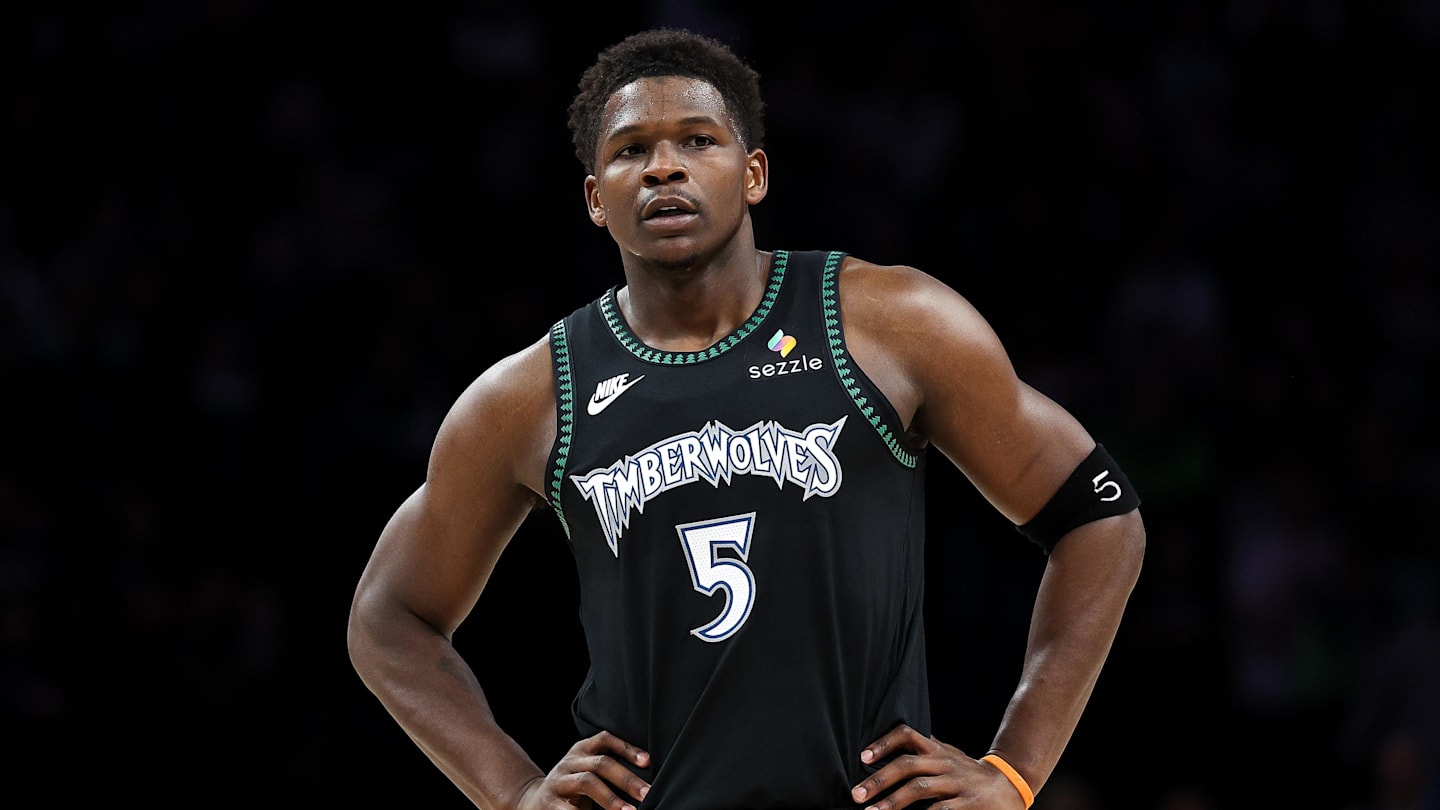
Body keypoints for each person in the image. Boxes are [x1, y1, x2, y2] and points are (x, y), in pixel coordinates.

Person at [347, 26, 1146, 810]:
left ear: (754, 173)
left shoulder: (890, 322)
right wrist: (515, 790)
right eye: (630, 151)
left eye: (698, 141)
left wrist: (1014, 771)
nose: (664, 167)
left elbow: (1100, 517)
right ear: (596, 198)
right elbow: (389, 618)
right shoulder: (531, 394)